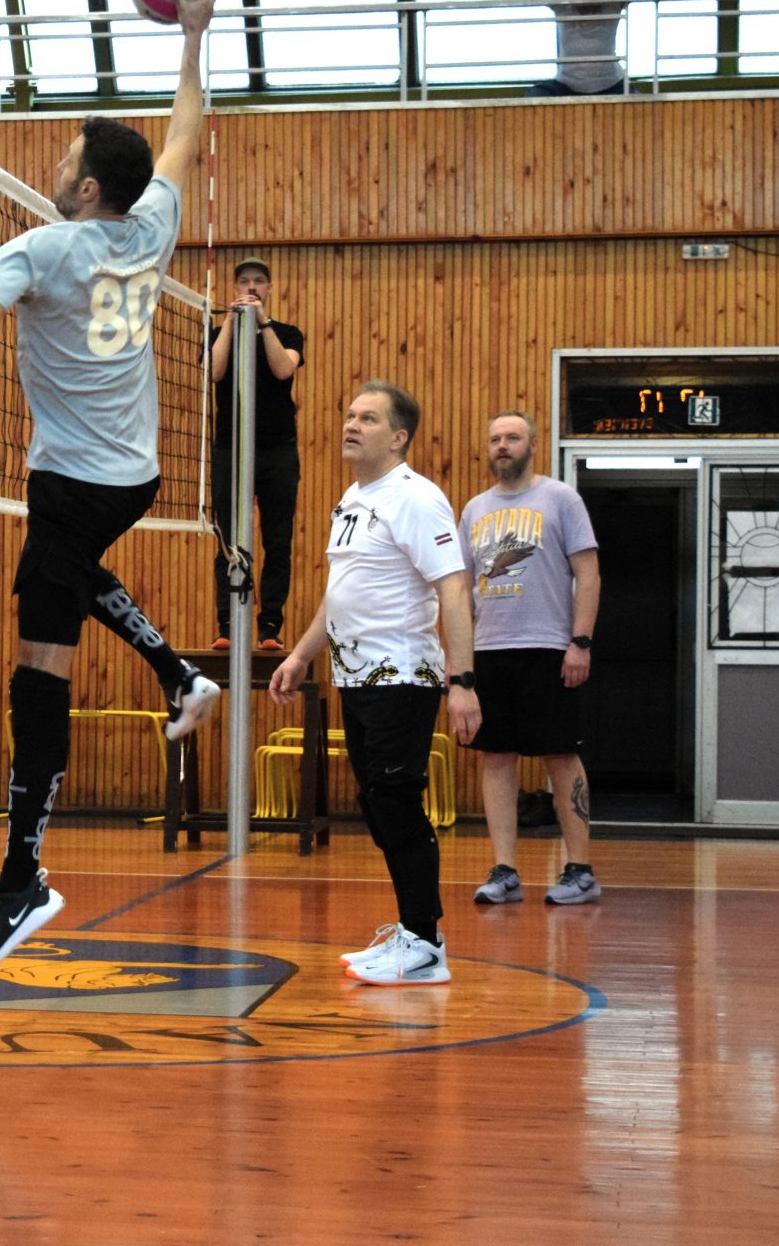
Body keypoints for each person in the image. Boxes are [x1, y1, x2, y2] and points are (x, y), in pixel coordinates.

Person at [0, 0, 222, 977]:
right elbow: (185, 133)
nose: (55, 166)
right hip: (134, 474)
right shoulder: (153, 221)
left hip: (70, 480)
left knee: (37, 667)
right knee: (54, 605)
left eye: (66, 158)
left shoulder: (42, 249)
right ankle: (177, 678)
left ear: (89, 188)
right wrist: (193, 37)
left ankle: (23, 880)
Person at [270, 382, 481, 986]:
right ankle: (414, 934)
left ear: (398, 438)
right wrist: (302, 654)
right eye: (349, 415)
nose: (351, 425)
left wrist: (463, 681)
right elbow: (342, 592)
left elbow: (453, 588)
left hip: (403, 676)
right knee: (377, 805)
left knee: (396, 803)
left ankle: (425, 943)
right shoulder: (353, 497)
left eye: (368, 418)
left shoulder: (416, 497)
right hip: (356, 678)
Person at [460, 410, 603, 906]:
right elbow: (461, 588)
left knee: (560, 755)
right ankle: (505, 870)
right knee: (497, 758)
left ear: (533, 445)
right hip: (490, 649)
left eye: (513, 437)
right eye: (495, 438)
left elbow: (589, 574)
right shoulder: (475, 509)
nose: (502, 445)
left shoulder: (561, 498)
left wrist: (580, 642)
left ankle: (580, 869)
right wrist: (461, 662)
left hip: (548, 647)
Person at [208, 255, 306, 649]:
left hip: (277, 450)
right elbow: (213, 372)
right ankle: (228, 626)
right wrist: (231, 324)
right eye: (245, 281)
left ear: (269, 288)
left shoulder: (288, 333)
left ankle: (269, 627)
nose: (251, 287)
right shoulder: (218, 332)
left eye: (259, 281)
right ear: (235, 288)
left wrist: (262, 323)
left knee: (277, 541)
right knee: (228, 541)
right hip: (230, 450)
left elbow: (284, 369)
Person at [525, 0, 653, 98]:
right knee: (534, 96)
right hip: (566, 85)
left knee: (642, 104)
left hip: (612, 84)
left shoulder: (611, 2)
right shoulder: (562, 3)